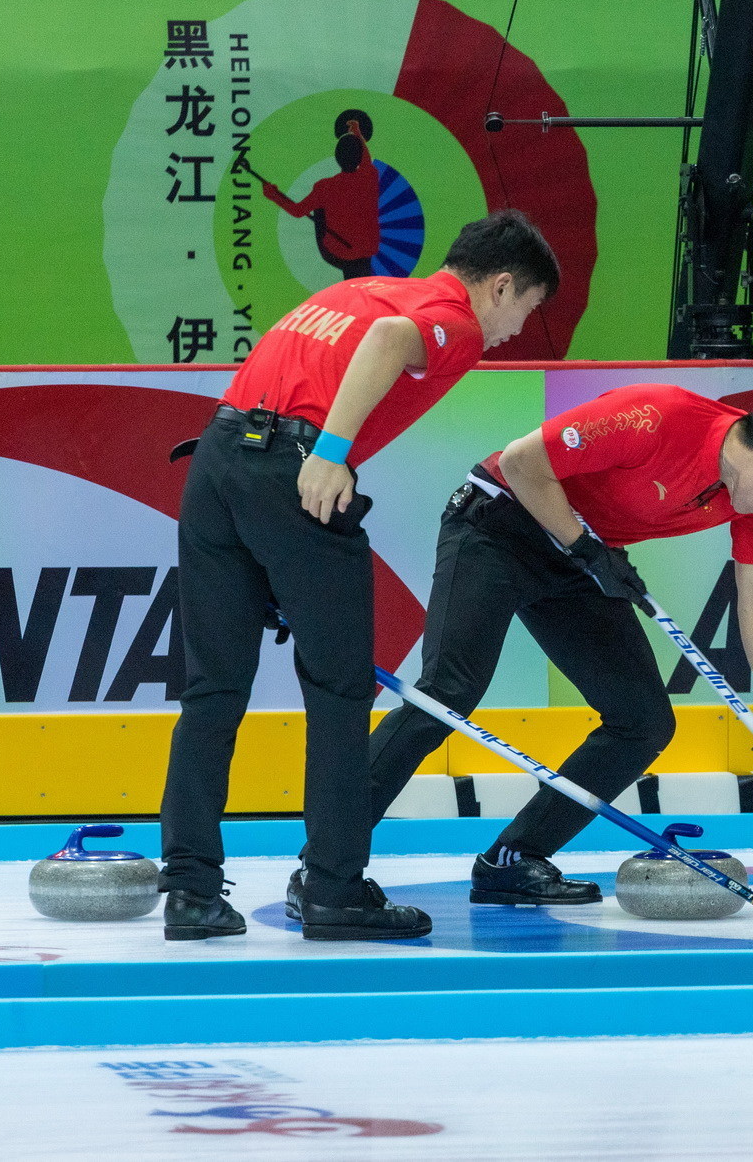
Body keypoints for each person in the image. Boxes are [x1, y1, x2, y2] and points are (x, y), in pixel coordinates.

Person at [157, 210, 558, 942]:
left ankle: (189, 891)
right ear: (501, 285)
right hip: (296, 472)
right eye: (526, 309)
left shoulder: (360, 290)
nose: (515, 331)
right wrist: (330, 453)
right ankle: (334, 889)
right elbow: (388, 343)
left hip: (216, 460)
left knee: (211, 691)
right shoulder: (452, 320)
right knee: (339, 693)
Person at [364, 384, 753, 905]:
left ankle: (513, 859)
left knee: (643, 721)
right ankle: (329, 862)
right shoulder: (657, 417)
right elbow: (521, 462)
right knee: (446, 695)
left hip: (581, 557)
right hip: (500, 524)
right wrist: (586, 548)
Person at [263, 110, 383, 279]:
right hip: (367, 248)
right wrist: (357, 133)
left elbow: (297, 211)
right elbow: (366, 161)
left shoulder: (324, 187)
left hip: (339, 251)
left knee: (319, 208)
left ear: (337, 157)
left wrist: (273, 195)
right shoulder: (370, 176)